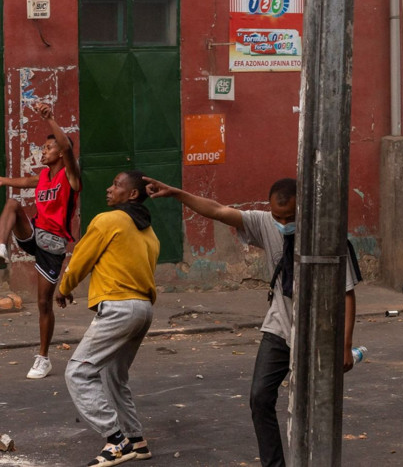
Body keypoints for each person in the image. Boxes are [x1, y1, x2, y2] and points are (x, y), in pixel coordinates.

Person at [143, 177, 358, 467]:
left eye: (290, 217)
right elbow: (218, 211)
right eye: (278, 217)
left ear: (304, 209)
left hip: (318, 336)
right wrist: (177, 194)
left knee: (314, 406)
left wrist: (345, 346)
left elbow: (346, 295)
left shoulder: (330, 237)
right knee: (259, 398)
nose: (283, 223)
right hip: (279, 327)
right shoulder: (264, 222)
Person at [56, 171, 159, 466]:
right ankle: (136, 440)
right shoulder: (149, 232)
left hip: (118, 308)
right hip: (143, 309)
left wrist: (64, 288)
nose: (109, 188)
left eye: (116, 184)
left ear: (133, 194)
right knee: (113, 375)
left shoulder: (107, 220)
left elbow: (81, 257)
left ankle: (117, 441)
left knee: (78, 372)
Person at [0, 102, 81, 379]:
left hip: (53, 245)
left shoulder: (70, 176)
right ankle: (0, 247)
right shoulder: (43, 176)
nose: (43, 151)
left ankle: (43, 358)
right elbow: (27, 182)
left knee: (43, 303)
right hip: (35, 235)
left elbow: (66, 147)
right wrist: (4, 180)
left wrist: (50, 119)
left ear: (61, 154)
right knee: (13, 204)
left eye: (48, 148)